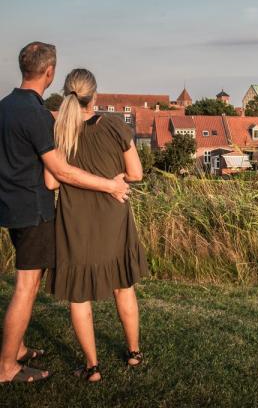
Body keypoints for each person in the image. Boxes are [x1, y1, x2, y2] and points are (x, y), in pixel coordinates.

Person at [0, 42, 130, 384]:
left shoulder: (5, 107)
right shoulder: (36, 114)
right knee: (26, 287)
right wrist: (110, 186)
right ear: (49, 71)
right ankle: (6, 366)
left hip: (11, 206)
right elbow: (61, 173)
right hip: (33, 209)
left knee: (27, 283)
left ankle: (19, 347)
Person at [45, 68, 149, 382]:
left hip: (75, 221)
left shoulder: (59, 132)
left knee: (79, 297)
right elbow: (137, 174)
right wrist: (114, 179)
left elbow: (51, 181)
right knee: (124, 286)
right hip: (112, 216)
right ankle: (133, 353)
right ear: (96, 95)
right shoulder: (115, 126)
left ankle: (92, 368)